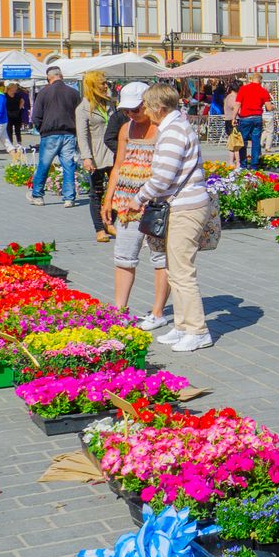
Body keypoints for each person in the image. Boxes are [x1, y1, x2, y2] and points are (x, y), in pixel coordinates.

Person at [134, 82, 216, 353]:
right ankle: (182, 325)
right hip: (182, 204)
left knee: (182, 272)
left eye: (147, 106)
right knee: (175, 268)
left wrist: (138, 198)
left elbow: (162, 177)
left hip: (185, 207)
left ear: (159, 108)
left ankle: (197, 330)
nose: (144, 110)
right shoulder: (175, 127)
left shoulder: (173, 131)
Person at [103, 80, 172, 324]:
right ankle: (119, 311)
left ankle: (157, 312)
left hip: (155, 203)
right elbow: (118, 165)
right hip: (126, 202)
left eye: (136, 109)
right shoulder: (126, 129)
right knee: (124, 256)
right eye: (127, 110)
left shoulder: (162, 128)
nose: (131, 114)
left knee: (160, 257)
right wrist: (108, 198)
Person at [31, 66, 82, 207]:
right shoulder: (73, 93)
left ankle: (38, 196)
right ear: (61, 75)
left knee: (44, 165)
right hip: (69, 133)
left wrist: (41, 129)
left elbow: (36, 116)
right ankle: (69, 198)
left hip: (50, 133)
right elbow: (79, 115)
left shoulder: (43, 93)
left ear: (49, 77)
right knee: (68, 166)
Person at [74, 71, 115, 242]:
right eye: (102, 84)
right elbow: (82, 136)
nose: (106, 86)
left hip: (113, 152)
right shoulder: (82, 108)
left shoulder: (110, 103)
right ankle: (99, 228)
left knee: (116, 190)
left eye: (106, 83)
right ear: (92, 86)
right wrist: (86, 157)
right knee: (96, 192)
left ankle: (110, 222)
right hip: (96, 154)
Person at [236, 72, 270, 167]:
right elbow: (268, 107)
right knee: (256, 141)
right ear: (260, 81)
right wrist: (273, 107)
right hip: (257, 117)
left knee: (243, 141)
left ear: (251, 79)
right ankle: (254, 165)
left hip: (245, 117)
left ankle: (243, 164)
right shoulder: (263, 91)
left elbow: (238, 104)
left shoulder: (243, 89)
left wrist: (234, 117)